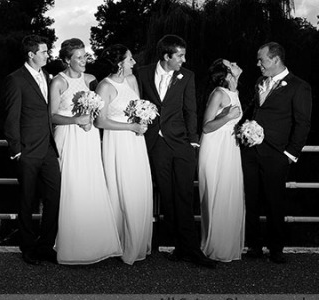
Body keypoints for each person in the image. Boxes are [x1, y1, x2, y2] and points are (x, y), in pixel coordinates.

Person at [135, 34, 216, 268]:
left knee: (184, 195)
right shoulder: (142, 73)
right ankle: (180, 247)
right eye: (179, 55)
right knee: (167, 196)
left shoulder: (187, 76)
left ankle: (192, 250)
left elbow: (191, 109)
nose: (184, 59)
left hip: (181, 144)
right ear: (166, 56)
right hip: (156, 144)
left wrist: (193, 141)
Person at [50, 38, 122, 265]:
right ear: (67, 60)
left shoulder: (91, 80)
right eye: (79, 57)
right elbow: (51, 116)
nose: (84, 61)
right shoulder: (58, 83)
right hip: (68, 137)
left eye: (85, 56)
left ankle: (95, 244)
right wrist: (74, 119)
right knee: (70, 187)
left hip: (89, 137)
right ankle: (70, 246)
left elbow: (100, 108)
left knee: (91, 185)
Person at [241, 42, 312, 264]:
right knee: (250, 199)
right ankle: (253, 246)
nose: (258, 64)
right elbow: (254, 110)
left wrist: (289, 154)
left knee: (274, 202)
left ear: (275, 60)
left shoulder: (299, 86)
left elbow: (303, 123)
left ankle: (276, 248)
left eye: (261, 60)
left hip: (276, 153)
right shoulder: (259, 82)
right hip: (251, 151)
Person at [3, 35, 61, 265]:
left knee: (55, 197)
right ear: (31, 54)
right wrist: (16, 149)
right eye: (44, 52)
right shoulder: (15, 80)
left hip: (48, 148)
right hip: (26, 150)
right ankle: (28, 248)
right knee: (26, 201)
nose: (48, 55)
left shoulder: (48, 77)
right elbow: (11, 117)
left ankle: (46, 246)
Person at [95, 44, 153, 264]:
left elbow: (139, 107)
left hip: (136, 142)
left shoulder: (132, 81)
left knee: (138, 186)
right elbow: (100, 121)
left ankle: (136, 241)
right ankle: (118, 242)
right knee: (121, 188)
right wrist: (130, 127)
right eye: (130, 59)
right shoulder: (105, 86)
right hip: (117, 142)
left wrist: (143, 119)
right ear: (120, 63)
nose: (134, 63)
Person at [198, 58, 245, 262]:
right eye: (231, 64)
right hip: (215, 148)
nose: (236, 63)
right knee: (216, 194)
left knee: (229, 193)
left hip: (230, 148)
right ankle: (214, 246)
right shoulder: (218, 93)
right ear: (227, 73)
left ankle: (227, 245)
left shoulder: (235, 93)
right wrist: (226, 117)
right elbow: (206, 126)